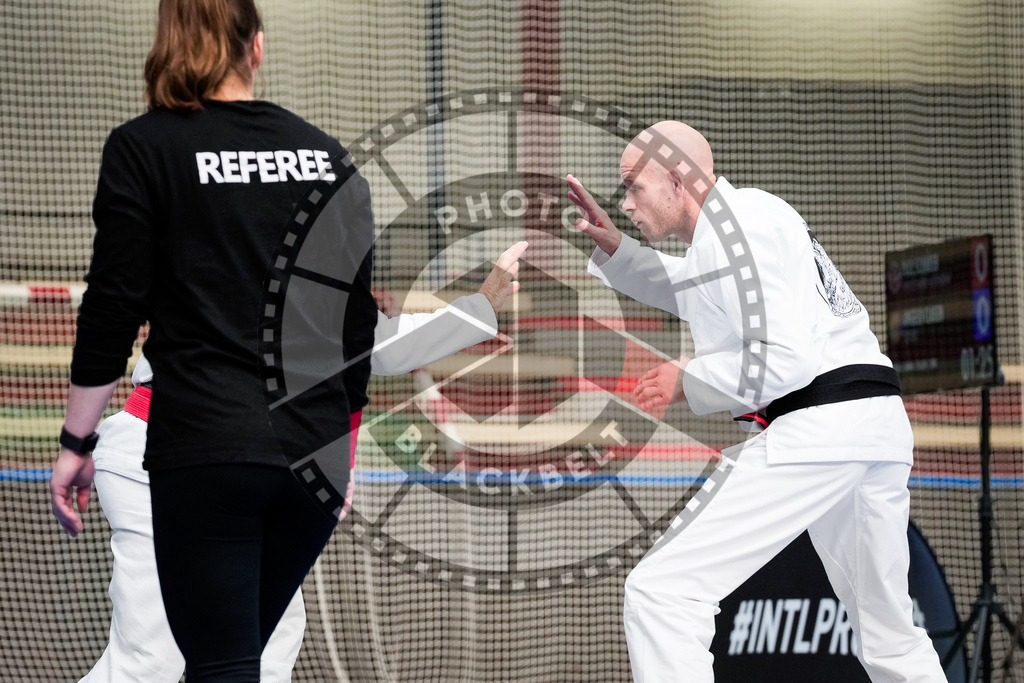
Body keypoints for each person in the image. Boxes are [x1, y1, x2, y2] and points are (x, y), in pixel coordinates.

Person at [49, 1, 378, 679]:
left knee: (223, 663)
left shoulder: (145, 147)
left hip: (209, 448)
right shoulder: (327, 155)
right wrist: (340, 441)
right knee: (235, 659)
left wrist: (77, 441)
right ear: (257, 48)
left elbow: (113, 309)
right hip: (311, 459)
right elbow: (357, 322)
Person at [568, 121, 946, 682]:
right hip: (871, 424)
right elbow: (690, 288)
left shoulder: (738, 227)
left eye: (633, 187)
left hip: (820, 426)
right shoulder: (737, 226)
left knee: (663, 591)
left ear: (678, 180)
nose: (624, 203)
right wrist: (619, 252)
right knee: (888, 633)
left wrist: (685, 374)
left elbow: (785, 359)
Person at [78, 243, 528, 683]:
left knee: (268, 645)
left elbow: (380, 344)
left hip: (243, 469)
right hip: (169, 460)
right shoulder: (227, 238)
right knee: (150, 659)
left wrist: (479, 307)